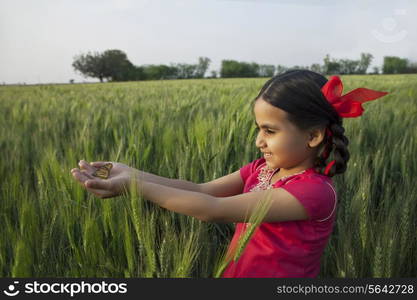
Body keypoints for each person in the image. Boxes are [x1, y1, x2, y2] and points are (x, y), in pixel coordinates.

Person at [70, 69, 388, 278]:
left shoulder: (313, 192)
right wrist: (133, 172)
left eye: (270, 130)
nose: (258, 140)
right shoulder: (263, 168)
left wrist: (133, 186)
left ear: (313, 136)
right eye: (258, 128)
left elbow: (213, 209)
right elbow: (201, 190)